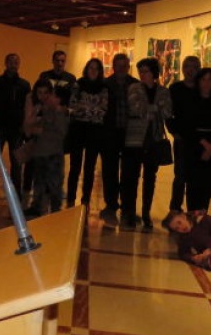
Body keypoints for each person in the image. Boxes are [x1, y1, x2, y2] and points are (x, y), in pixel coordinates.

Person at [119, 56, 174, 232]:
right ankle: (129, 212)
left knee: (150, 178)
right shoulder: (134, 87)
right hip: (135, 138)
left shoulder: (163, 91)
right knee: (131, 177)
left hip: (154, 139)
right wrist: (155, 108)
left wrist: (151, 109)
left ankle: (146, 213)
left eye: (145, 71)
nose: (142, 74)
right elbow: (136, 109)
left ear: (153, 73)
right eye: (140, 71)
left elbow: (167, 112)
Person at [0, 52, 32, 210]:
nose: (13, 64)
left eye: (16, 61)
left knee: (17, 162)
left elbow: (27, 107)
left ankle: (16, 194)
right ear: (5, 63)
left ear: (20, 64)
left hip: (16, 129)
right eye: (11, 61)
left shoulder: (24, 85)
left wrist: (25, 127)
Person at [97, 53, 138, 226]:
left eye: (124, 65)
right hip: (110, 134)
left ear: (128, 67)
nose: (121, 69)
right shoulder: (105, 84)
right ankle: (111, 205)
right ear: (113, 66)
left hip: (130, 135)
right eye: (118, 65)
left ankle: (128, 208)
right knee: (109, 171)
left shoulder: (136, 85)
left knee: (130, 173)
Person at [23, 77, 71, 217]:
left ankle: (55, 210)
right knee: (39, 182)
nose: (47, 97)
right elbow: (29, 127)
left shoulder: (59, 112)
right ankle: (37, 206)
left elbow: (60, 133)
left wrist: (42, 130)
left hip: (53, 153)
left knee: (54, 184)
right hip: (40, 152)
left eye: (51, 94)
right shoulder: (44, 109)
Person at [65, 57, 109, 209]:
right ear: (86, 69)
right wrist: (91, 109)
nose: (93, 71)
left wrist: (84, 108)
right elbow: (72, 106)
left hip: (95, 131)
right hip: (78, 129)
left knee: (90, 167)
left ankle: (85, 200)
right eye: (91, 68)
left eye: (96, 68)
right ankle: (70, 199)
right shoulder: (78, 84)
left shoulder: (103, 87)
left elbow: (103, 110)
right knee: (74, 166)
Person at [183, 67, 211, 215]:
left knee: (206, 187)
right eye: (203, 79)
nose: (206, 83)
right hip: (194, 148)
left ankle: (202, 218)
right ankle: (191, 220)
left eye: (210, 80)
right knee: (193, 186)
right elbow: (187, 127)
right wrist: (204, 144)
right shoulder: (190, 102)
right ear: (198, 82)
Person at [166, 55, 202, 212]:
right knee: (180, 176)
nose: (191, 70)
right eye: (188, 66)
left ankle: (193, 210)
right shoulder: (175, 89)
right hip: (181, 139)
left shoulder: (203, 90)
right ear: (183, 69)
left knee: (195, 177)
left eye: (194, 67)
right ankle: (175, 208)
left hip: (199, 141)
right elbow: (168, 113)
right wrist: (174, 132)